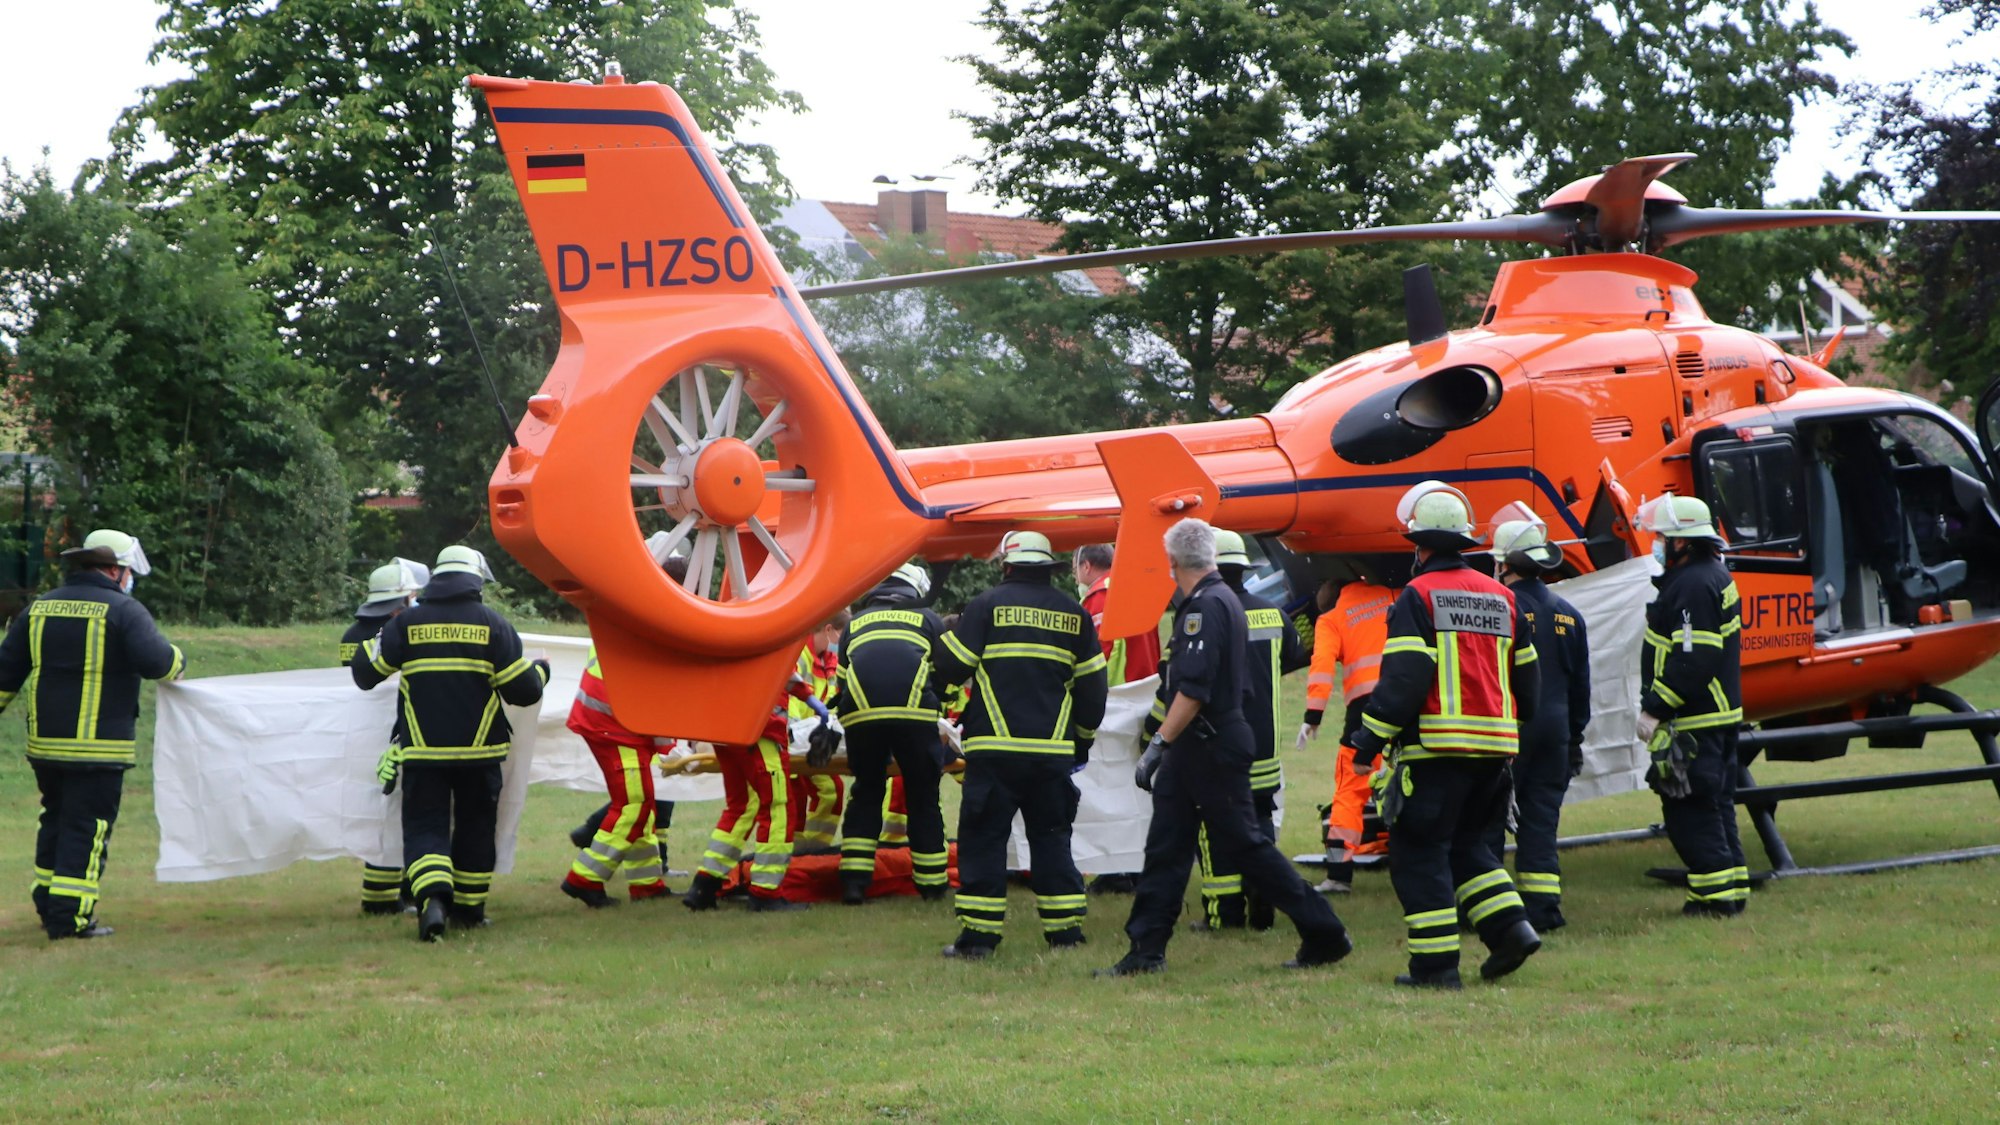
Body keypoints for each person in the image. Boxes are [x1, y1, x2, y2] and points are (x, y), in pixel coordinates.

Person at [1099, 518, 1353, 977]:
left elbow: (1192, 690)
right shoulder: (1224, 600)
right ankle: (1146, 949)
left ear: (1173, 561)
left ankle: (1324, 931)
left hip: (1207, 745)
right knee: (1167, 848)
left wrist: (1158, 743)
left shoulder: (1203, 607)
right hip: (1207, 744)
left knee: (1245, 847)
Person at [1349, 482, 1542, 989]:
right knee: (1468, 846)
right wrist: (1509, 725)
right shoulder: (1504, 597)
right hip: (1495, 752)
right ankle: (1512, 932)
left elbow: (1405, 678)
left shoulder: (1419, 596)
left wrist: (1367, 740)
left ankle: (1435, 969)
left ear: (1420, 545)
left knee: (1418, 852)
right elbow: (1529, 683)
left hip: (1436, 751)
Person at [352, 545, 549, 942]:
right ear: (475, 582)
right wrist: (541, 671)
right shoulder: (493, 625)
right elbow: (524, 691)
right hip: (481, 755)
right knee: (476, 829)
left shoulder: (408, 623)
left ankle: (433, 901)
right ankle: (470, 912)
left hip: (423, 754)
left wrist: (380, 634)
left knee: (426, 827)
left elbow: (365, 674)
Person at [0, 529, 183, 941]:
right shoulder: (123, 610)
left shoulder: (39, 608)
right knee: (87, 829)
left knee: (56, 821)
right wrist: (179, 660)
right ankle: (70, 918)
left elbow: (5, 673)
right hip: (98, 749)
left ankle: (48, 904)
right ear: (115, 570)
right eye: (128, 571)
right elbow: (159, 663)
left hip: (46, 747)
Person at [933, 530, 1107, 959]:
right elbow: (1093, 690)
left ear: (1007, 565)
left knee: (984, 840)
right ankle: (1065, 934)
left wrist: (943, 645)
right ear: (1048, 567)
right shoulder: (1075, 614)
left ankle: (979, 940)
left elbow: (952, 667)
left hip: (994, 752)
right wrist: (1081, 742)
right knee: (1052, 839)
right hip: (1051, 755)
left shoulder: (986, 606)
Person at [1635, 494, 1749, 918]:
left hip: (1697, 719)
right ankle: (1730, 889)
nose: (1657, 543)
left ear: (1681, 542)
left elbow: (1694, 658)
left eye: (1662, 537)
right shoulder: (1711, 575)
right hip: (1716, 716)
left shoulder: (1693, 584)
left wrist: (1655, 708)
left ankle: (1715, 900)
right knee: (1715, 806)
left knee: (1689, 809)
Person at [1189, 530, 1307, 931]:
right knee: (1259, 824)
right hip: (1265, 749)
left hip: (1220, 746)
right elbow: (1293, 655)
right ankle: (1265, 898)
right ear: (1243, 568)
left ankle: (1225, 914)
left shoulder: (1205, 614)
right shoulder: (1273, 614)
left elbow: (1185, 681)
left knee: (1216, 828)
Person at [1484, 515, 1590, 931]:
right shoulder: (1570, 614)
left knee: (1489, 821)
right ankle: (1543, 911)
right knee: (1542, 822)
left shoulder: (1498, 609)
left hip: (1510, 732)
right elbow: (1581, 685)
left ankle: (1493, 912)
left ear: (1504, 564)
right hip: (1556, 733)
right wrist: (1574, 738)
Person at [682, 639, 832, 914]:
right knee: (778, 808)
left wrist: (806, 695)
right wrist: (810, 699)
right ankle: (766, 892)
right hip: (759, 730)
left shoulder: (735, 631)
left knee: (741, 807)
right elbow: (779, 667)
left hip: (724, 730)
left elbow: (779, 670)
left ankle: (705, 884)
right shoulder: (771, 631)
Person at [835, 562, 950, 904]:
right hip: (914, 716)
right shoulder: (928, 618)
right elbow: (944, 673)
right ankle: (932, 884)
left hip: (860, 717)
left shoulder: (854, 623)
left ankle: (854, 883)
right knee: (922, 795)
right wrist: (937, 704)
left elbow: (842, 682)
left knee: (867, 791)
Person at [559, 642, 677, 908]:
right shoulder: (662, 640)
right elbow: (660, 697)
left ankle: (646, 883)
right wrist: (670, 749)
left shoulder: (635, 626)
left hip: (610, 718)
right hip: (616, 725)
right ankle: (584, 878)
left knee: (642, 806)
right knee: (634, 806)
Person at [1298, 576, 1396, 894]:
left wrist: (1313, 716)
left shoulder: (1331, 619)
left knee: (1350, 793)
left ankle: (1338, 875)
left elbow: (1322, 665)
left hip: (1364, 713)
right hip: (1409, 701)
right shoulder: (1391, 594)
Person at [341, 557, 428, 915]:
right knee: (403, 814)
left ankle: (380, 895)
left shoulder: (352, 634)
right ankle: (402, 892)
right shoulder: (401, 631)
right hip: (402, 735)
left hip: (359, 740)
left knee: (380, 812)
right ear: (402, 601)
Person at [793, 612, 851, 854]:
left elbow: (831, 701)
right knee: (794, 797)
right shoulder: (797, 655)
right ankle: (794, 851)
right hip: (793, 739)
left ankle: (815, 850)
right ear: (829, 630)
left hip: (815, 739)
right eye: (843, 636)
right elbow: (791, 700)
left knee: (832, 791)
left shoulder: (830, 661)